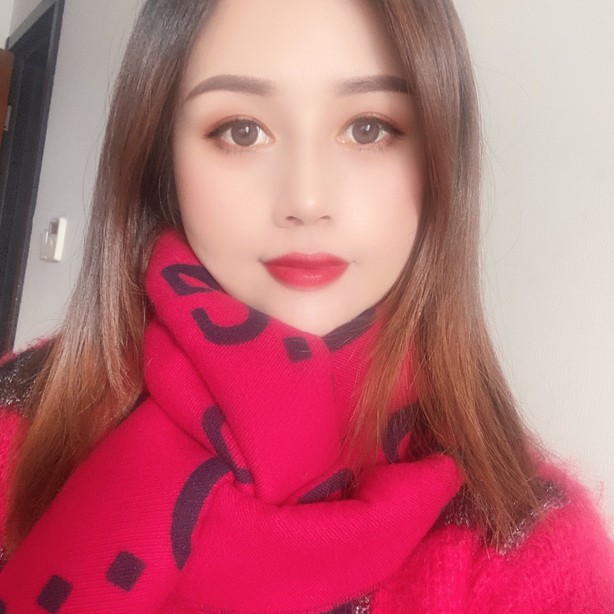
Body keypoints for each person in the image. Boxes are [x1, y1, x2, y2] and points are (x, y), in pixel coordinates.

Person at [0, 0, 612, 611]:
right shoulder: (18, 416)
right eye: (242, 131)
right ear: (163, 161)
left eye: (368, 128)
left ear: (439, 162)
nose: (307, 200)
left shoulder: (533, 545)